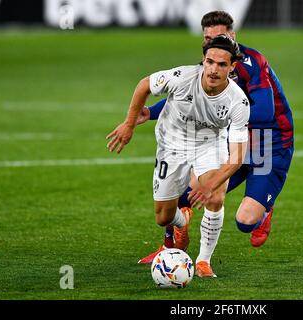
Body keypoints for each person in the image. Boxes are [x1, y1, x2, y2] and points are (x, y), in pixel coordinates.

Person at [138, 11, 294, 278]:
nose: (211, 43)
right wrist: (150, 113)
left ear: (232, 36)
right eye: (206, 38)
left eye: (217, 37)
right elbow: (189, 98)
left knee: (246, 222)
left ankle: (264, 207)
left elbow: (266, 112)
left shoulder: (252, 62)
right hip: (235, 138)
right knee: (185, 195)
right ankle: (169, 248)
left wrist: (218, 119)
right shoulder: (210, 64)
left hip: (268, 142)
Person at [106, 36, 250, 277]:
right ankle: (181, 222)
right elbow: (144, 85)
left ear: (232, 66)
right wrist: (129, 124)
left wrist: (210, 186)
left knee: (215, 197)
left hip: (209, 144)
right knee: (163, 217)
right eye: (210, 62)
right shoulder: (182, 77)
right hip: (171, 143)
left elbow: (236, 157)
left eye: (222, 64)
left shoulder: (238, 102)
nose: (214, 69)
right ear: (203, 61)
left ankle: (204, 261)